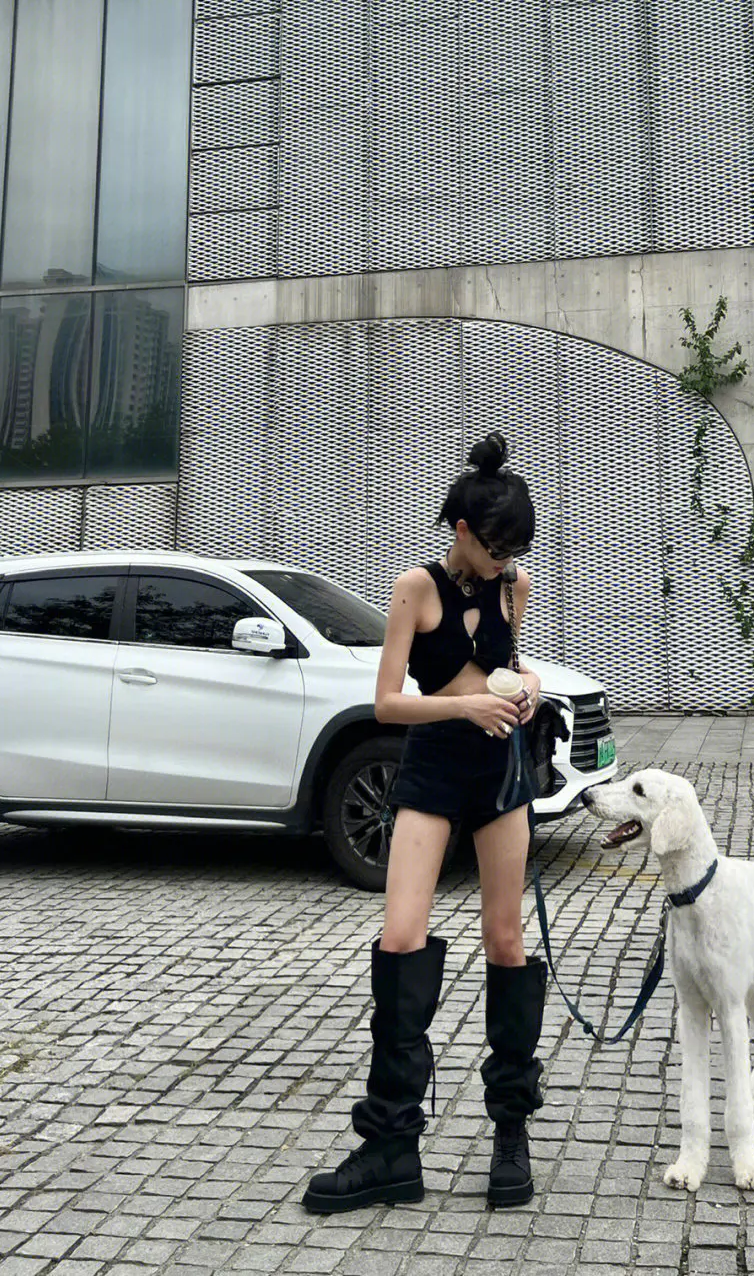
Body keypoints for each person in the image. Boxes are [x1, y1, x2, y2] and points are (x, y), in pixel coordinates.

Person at [303, 432, 547, 1214]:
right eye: (496, 548)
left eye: (516, 552)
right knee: (401, 935)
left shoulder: (513, 586)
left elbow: (513, 664)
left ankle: (511, 1133)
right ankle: (390, 1144)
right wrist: (464, 706)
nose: (506, 564)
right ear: (463, 531)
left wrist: (528, 687)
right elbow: (386, 703)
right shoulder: (416, 587)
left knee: (506, 940)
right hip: (434, 766)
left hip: (500, 772)